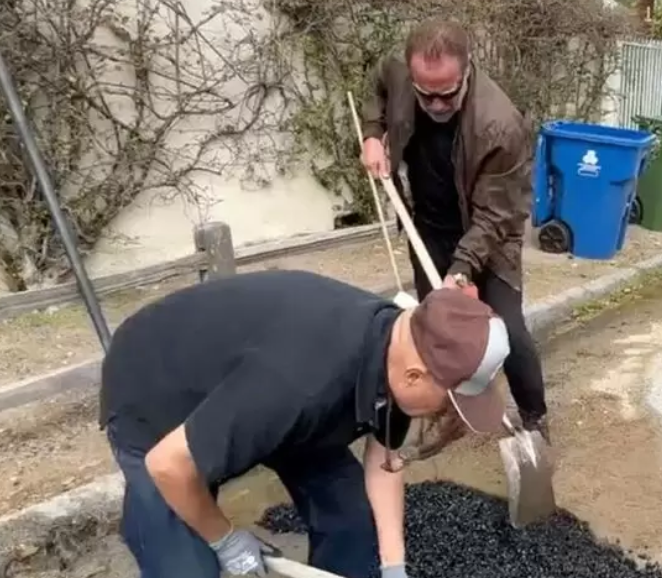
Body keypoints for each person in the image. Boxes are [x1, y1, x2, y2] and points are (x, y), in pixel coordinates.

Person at [98, 269, 511, 578]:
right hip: (157, 394)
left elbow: (384, 460)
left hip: (266, 398)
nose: (446, 414)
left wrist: (393, 564)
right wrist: (225, 539)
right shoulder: (301, 384)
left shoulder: (401, 348)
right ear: (415, 377)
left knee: (353, 520)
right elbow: (169, 464)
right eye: (449, 401)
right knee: (188, 566)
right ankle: (149, 524)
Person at [359, 18, 549, 442]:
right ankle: (447, 410)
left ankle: (535, 419)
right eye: (425, 93)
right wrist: (373, 133)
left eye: (447, 93)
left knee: (508, 330)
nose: (436, 104)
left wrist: (461, 270)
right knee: (436, 332)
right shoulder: (400, 72)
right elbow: (379, 84)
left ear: (466, 70)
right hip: (427, 226)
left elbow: (496, 215)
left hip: (489, 233)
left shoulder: (500, 124)